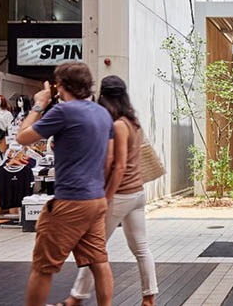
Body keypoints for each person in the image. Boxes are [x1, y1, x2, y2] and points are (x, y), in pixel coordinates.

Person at [16, 63, 115, 306]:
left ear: (60, 86)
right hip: (96, 199)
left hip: (70, 200)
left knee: (43, 267)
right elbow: (109, 158)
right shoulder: (102, 113)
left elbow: (22, 137)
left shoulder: (63, 111)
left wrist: (39, 103)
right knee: (98, 261)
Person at [60, 76, 158, 306]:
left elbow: (119, 165)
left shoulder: (118, 125)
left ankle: (75, 298)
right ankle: (149, 297)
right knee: (141, 247)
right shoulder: (134, 122)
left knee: (94, 249)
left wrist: (107, 196)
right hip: (137, 193)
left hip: (120, 194)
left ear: (103, 96)